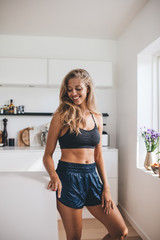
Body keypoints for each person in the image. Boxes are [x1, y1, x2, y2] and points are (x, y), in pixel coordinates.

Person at [43, 69, 128, 240]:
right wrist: (54, 176)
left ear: (88, 88)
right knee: (74, 237)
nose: (73, 93)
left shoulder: (97, 117)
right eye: (69, 89)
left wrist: (106, 187)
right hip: (68, 178)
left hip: (92, 177)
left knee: (120, 232)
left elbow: (98, 156)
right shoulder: (61, 116)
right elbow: (47, 155)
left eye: (78, 88)